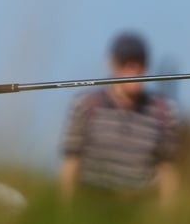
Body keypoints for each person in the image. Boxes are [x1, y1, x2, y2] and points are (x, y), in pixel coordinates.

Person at [59, 31, 179, 213]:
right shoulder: (86, 105)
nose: (134, 69)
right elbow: (71, 162)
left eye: (140, 63)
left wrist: (168, 215)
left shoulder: (164, 112)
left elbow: (167, 169)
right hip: (91, 206)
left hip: (140, 209)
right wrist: (65, 211)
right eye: (126, 63)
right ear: (112, 64)